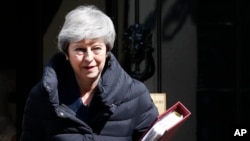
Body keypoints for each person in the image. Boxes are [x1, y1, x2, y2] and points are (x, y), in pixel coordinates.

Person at [20, 4, 159, 141]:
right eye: (79, 49)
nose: (89, 58)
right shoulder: (43, 96)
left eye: (96, 48)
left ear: (107, 50)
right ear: (66, 53)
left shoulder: (135, 95)